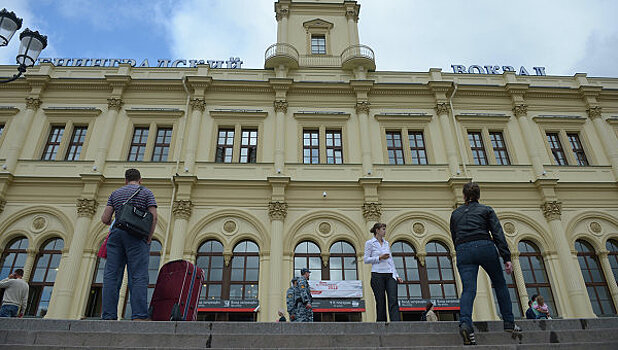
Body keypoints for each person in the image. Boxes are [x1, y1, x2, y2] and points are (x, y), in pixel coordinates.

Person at [450, 182, 521, 345]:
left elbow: (454, 235)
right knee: (500, 284)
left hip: (463, 249)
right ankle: (509, 322)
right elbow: (497, 234)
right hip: (484, 246)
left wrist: (462, 249)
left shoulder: (455, 214)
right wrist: (506, 257)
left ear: (464, 196)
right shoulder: (486, 210)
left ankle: (465, 323)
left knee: (468, 289)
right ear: (478, 196)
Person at [101, 168, 157, 320]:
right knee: (138, 275)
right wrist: (148, 238)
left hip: (116, 236)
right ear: (140, 180)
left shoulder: (116, 193)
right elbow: (153, 217)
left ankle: (108, 315)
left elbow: (105, 218)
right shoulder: (146, 193)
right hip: (137, 236)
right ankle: (139, 315)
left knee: (111, 276)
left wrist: (118, 222)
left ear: (125, 180)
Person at [364, 222, 403, 322]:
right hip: (377, 274)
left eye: (385, 229)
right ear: (377, 230)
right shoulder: (370, 243)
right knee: (380, 301)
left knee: (393, 299)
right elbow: (366, 259)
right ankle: (381, 323)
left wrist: (396, 275)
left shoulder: (387, 243)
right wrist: (379, 258)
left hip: (390, 274)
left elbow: (391, 260)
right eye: (383, 229)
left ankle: (396, 323)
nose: (385, 231)